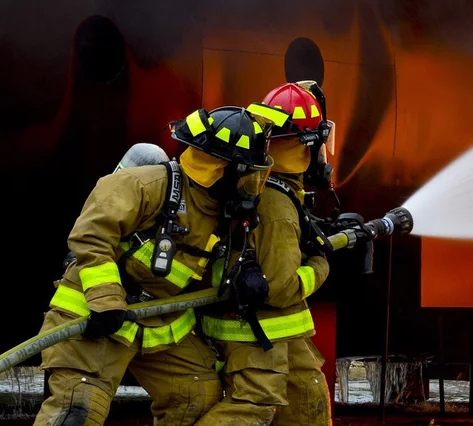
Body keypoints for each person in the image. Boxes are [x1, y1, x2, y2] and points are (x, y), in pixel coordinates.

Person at [34, 105, 276, 426]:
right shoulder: (146, 185)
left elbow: (207, 270)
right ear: (222, 168)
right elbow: (91, 236)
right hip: (97, 316)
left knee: (196, 399)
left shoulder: (225, 213)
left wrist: (241, 277)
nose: (252, 186)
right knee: (77, 410)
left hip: (160, 323)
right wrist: (106, 301)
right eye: (248, 174)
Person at [196, 82, 335, 425]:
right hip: (258, 332)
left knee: (308, 399)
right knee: (252, 408)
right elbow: (283, 288)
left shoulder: (270, 186)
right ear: (308, 143)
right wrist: (320, 263)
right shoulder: (277, 204)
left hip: (277, 333)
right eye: (321, 141)